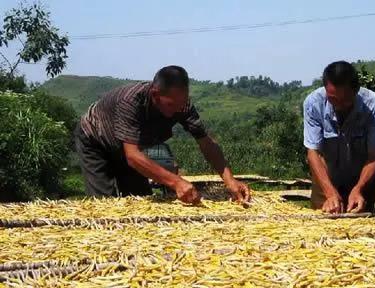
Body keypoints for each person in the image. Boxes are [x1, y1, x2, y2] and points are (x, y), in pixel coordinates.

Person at [74, 65, 250, 204]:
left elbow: (206, 143)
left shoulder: (182, 106)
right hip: (96, 140)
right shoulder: (130, 102)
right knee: (105, 203)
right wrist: (176, 182)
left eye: (182, 103)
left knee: (139, 199)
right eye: (171, 105)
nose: (178, 110)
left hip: (130, 146)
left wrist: (229, 180)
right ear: (155, 94)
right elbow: (133, 157)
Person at [303, 61, 375, 213]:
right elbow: (314, 152)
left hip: (361, 179)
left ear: (356, 90)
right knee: (321, 225)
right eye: (333, 99)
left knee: (361, 229)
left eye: (345, 100)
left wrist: (359, 188)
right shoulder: (313, 103)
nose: (338, 105)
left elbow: (374, 155)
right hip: (325, 180)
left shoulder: (374, 105)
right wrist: (329, 192)